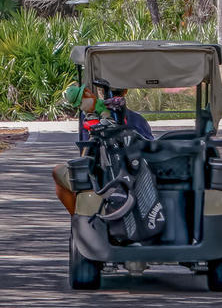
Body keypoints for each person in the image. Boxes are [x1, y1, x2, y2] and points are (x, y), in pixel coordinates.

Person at [52, 84, 153, 214]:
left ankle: (77, 218)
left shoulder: (91, 119)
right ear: (126, 91)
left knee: (57, 172)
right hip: (137, 173)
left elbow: (86, 154)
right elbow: (148, 145)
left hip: (106, 175)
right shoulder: (139, 120)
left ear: (99, 92)